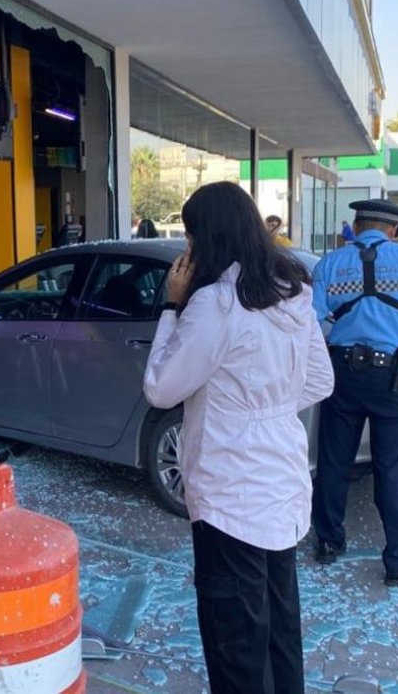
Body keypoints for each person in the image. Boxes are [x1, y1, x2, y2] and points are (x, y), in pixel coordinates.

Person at [143, 181, 333, 693]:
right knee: (278, 629)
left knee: (235, 641)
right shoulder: (291, 292)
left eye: (190, 235)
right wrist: (265, 410)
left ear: (206, 237)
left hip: (229, 490)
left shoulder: (215, 303)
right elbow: (320, 380)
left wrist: (170, 307)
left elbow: (161, 387)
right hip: (282, 479)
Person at [311, 198, 398, 586]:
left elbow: (308, 322)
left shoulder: (330, 264)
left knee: (333, 459)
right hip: (393, 376)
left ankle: (328, 541)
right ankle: (397, 558)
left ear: (356, 227)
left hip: (341, 372)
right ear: (393, 230)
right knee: (390, 466)